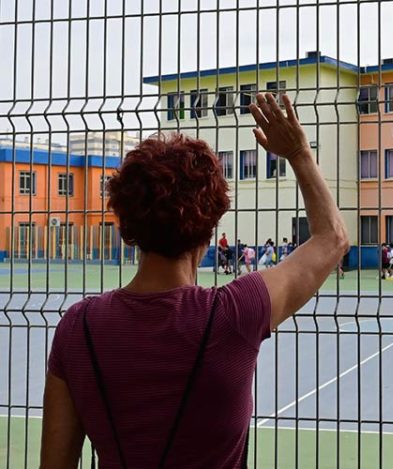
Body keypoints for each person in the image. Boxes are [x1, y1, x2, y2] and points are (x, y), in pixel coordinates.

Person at [41, 93, 349, 468]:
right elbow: (332, 238)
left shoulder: (77, 327)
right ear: (209, 228)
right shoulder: (235, 313)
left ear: (126, 227)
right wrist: (299, 153)